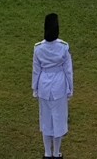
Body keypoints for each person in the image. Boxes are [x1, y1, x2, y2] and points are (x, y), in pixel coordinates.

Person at [32, 13, 73, 159]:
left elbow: (36, 71)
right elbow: (68, 71)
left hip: (44, 85)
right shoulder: (63, 47)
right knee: (58, 120)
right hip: (59, 86)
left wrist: (35, 89)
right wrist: (70, 89)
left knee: (46, 120)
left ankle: (47, 153)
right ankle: (56, 152)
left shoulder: (38, 48)